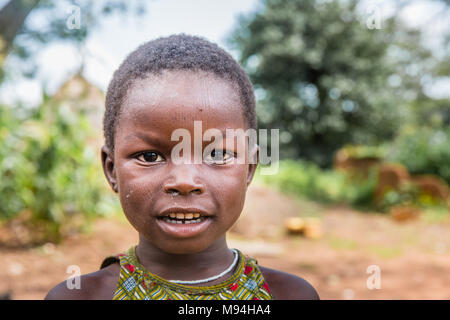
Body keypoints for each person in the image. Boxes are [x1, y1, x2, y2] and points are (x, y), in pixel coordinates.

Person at [45, 34, 319, 300]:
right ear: (111, 169)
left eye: (217, 154)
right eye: (150, 156)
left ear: (249, 168)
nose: (185, 181)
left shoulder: (290, 295)